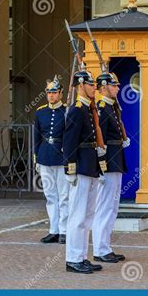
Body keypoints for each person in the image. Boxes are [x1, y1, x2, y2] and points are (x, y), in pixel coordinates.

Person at [63, 69, 106, 274]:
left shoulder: (89, 109)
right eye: (91, 85)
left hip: (90, 165)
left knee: (88, 215)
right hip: (80, 166)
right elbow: (69, 142)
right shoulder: (77, 110)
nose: (94, 89)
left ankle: (81, 255)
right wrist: (70, 169)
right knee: (77, 216)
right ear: (81, 86)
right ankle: (72, 258)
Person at [92, 72, 129, 263]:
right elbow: (100, 141)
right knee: (104, 207)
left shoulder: (112, 108)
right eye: (114, 85)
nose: (117, 88)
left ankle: (105, 246)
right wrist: (101, 167)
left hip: (116, 160)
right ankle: (99, 249)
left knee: (112, 206)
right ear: (104, 87)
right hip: (108, 163)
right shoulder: (101, 109)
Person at [34, 75, 69, 244]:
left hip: (61, 157)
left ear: (61, 93)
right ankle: (53, 230)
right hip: (45, 156)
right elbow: (36, 137)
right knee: (50, 196)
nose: (51, 95)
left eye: (54, 92)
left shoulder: (67, 111)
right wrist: (36, 157)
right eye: (49, 92)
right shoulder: (41, 112)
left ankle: (64, 230)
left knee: (64, 196)